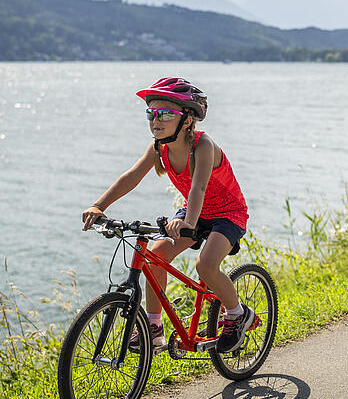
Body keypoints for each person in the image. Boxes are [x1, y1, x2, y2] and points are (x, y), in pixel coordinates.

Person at [81, 76, 253, 353]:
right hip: (195, 212)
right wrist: (99, 205)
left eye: (165, 114)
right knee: (156, 258)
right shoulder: (158, 147)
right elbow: (131, 177)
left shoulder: (203, 146)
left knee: (205, 266)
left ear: (187, 120)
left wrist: (187, 223)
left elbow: (197, 188)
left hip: (226, 213)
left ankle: (237, 313)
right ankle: (154, 326)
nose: (156, 120)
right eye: (152, 113)